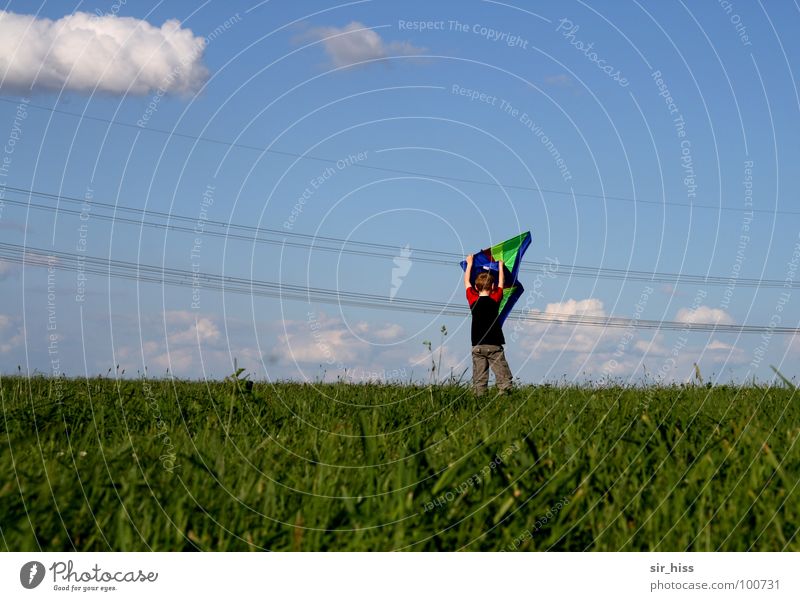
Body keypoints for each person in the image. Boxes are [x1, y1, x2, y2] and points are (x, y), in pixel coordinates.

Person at [464, 254, 513, 395]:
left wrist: (470, 263)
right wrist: (501, 267)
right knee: (503, 377)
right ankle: (506, 398)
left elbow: (466, 281)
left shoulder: (472, 299)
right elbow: (501, 283)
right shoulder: (496, 298)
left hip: (477, 345)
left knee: (479, 379)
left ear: (475, 287)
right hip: (494, 345)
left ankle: (479, 401)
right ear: (492, 287)